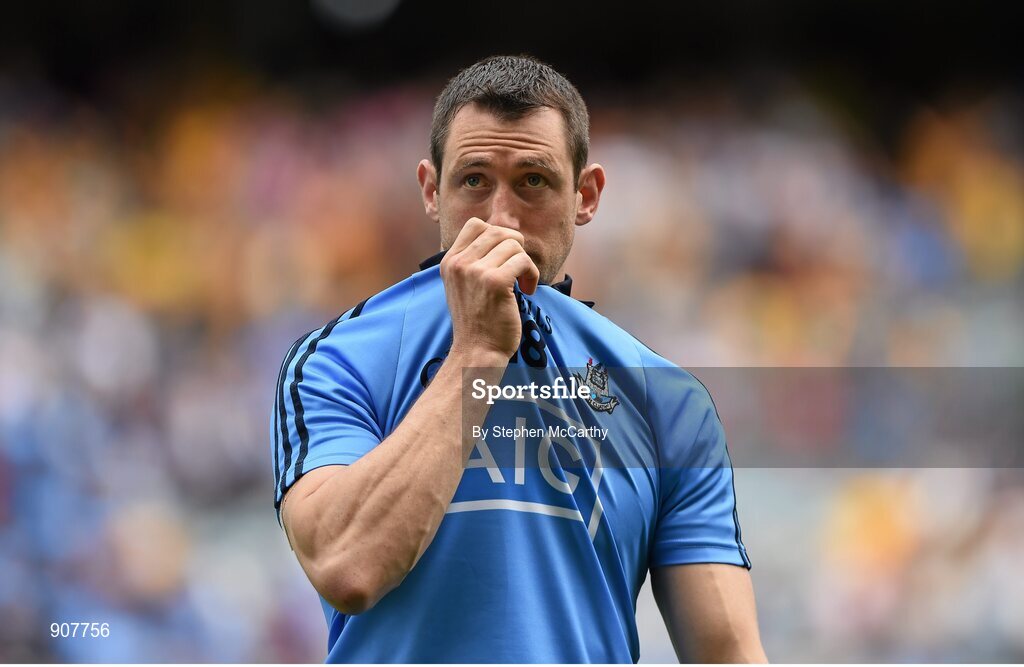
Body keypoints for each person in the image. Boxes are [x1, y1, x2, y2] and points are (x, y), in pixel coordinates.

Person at [271, 55, 766, 663]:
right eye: (474, 180)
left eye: (534, 181)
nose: (501, 219)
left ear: (586, 195)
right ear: (432, 190)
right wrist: (477, 352)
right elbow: (347, 566)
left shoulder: (664, 398)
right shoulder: (336, 361)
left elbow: (727, 654)